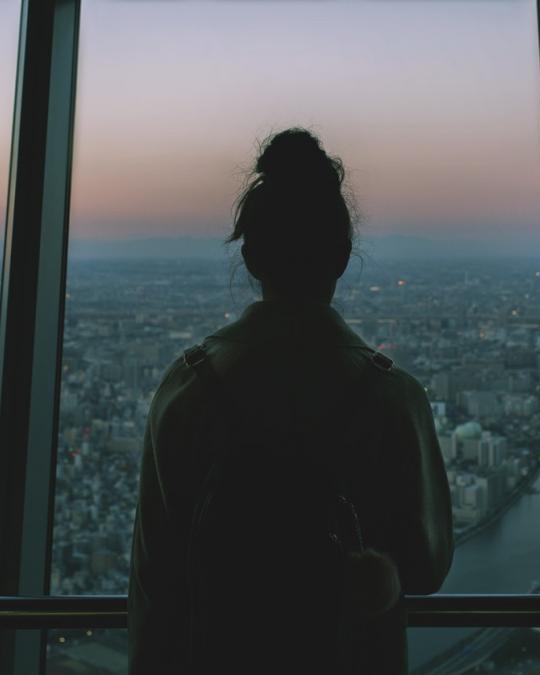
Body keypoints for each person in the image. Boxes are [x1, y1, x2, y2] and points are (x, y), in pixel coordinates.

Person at [128, 128, 453, 674]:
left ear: (252, 257)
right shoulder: (392, 398)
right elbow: (426, 568)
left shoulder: (187, 390)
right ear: (343, 257)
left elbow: (155, 581)